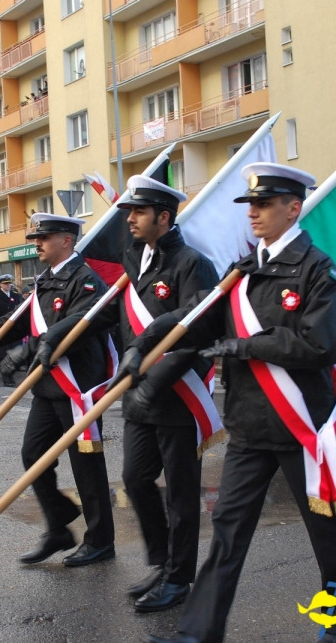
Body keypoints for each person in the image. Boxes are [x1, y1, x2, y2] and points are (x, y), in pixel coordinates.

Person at [138, 163, 336, 643]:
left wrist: (248, 345)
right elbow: (201, 320)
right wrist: (153, 335)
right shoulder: (244, 268)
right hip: (248, 424)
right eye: (251, 206)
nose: (254, 213)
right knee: (227, 532)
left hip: (301, 425)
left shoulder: (317, 269)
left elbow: (320, 344)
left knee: (328, 531)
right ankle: (199, 632)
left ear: (294, 208)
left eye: (264, 205)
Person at [0, 213, 116, 567]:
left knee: (86, 466)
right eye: (35, 239)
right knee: (33, 456)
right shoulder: (46, 280)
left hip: (77, 389)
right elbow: (17, 320)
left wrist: (27, 349)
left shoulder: (86, 281)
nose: (37, 244)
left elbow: (78, 326)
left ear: (66, 241)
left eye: (44, 238)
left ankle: (101, 540)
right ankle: (59, 526)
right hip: (48, 387)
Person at [92, 175, 219, 612]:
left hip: (177, 396)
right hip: (139, 395)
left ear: (163, 217)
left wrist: (155, 383)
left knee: (182, 493)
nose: (129, 218)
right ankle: (161, 561)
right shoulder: (136, 261)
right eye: (129, 211)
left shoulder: (191, 263)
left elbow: (198, 330)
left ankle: (179, 578)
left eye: (138, 212)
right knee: (135, 479)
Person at [0, 274, 22, 387]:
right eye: (5, 284)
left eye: (9, 283)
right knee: (4, 355)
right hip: (3, 330)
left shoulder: (16, 296)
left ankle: (11, 376)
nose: (8, 285)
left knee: (14, 354)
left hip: (15, 330)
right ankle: (6, 378)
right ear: (0, 285)